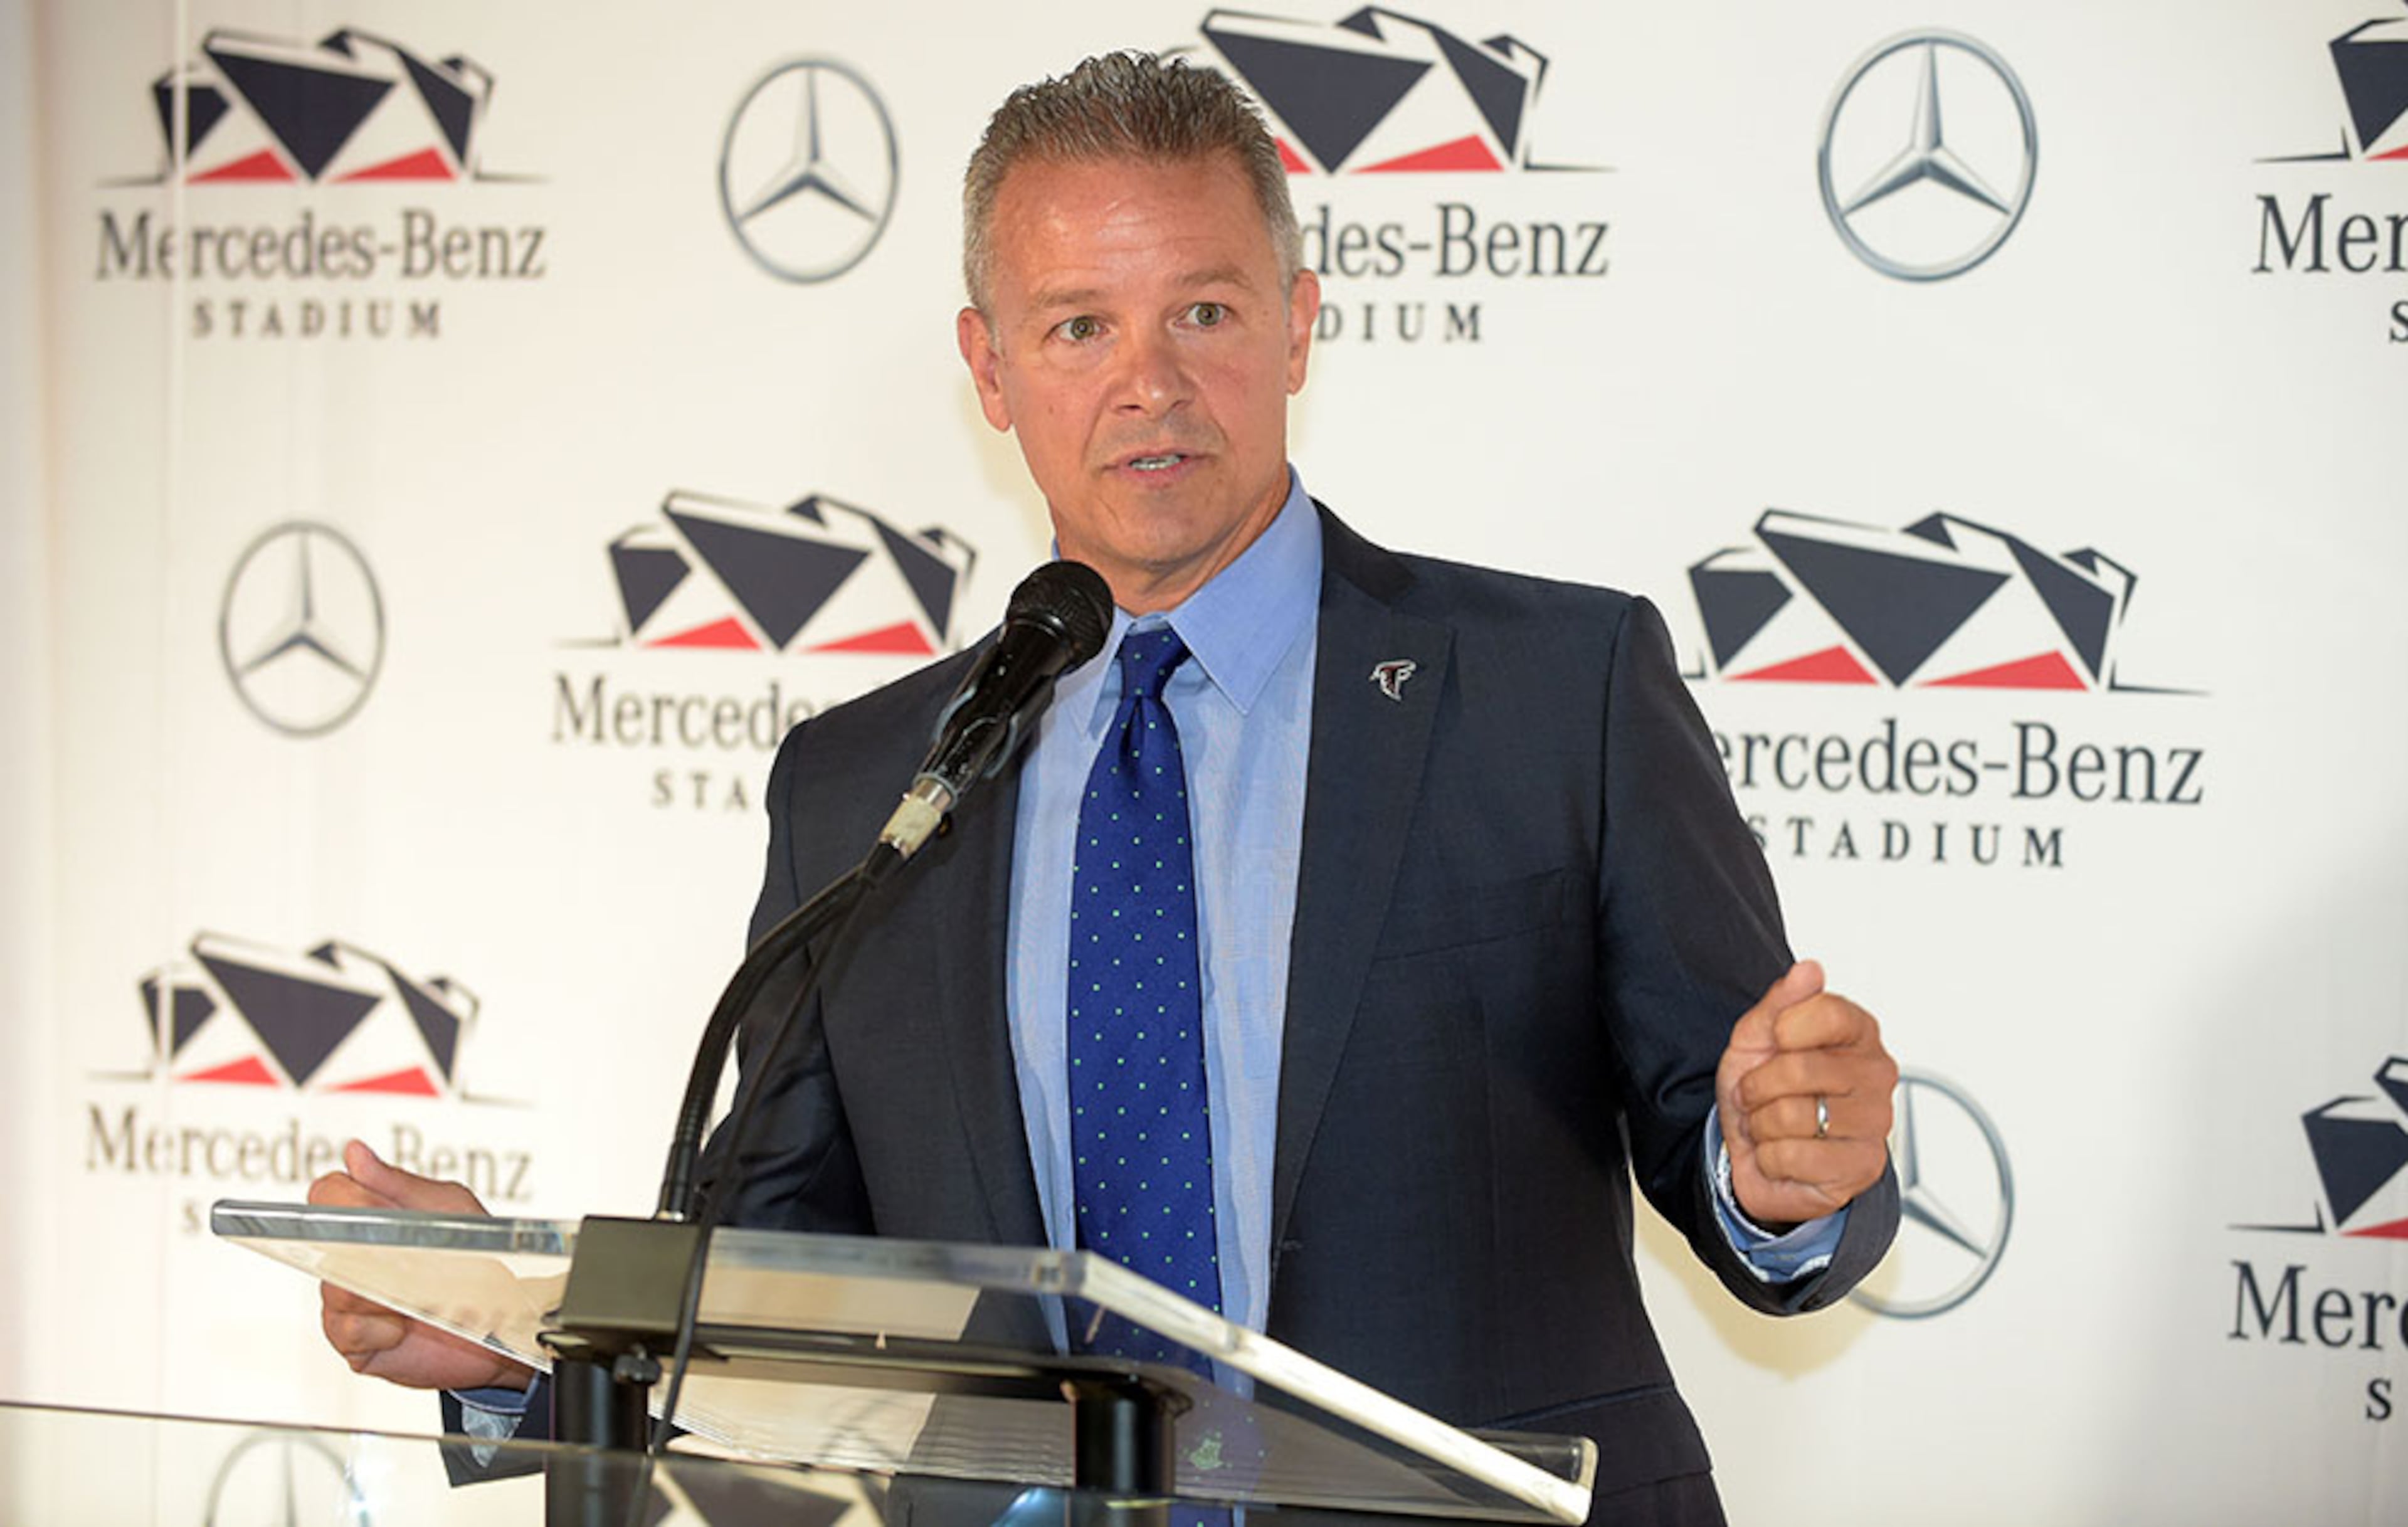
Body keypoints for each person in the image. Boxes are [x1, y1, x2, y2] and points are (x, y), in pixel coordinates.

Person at [314, 51, 1899, 1526]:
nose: (1148, 382)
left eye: (1202, 312)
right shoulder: (865, 783)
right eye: (1080, 326)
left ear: (1296, 321)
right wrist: (520, 1333)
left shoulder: (1558, 692)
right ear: (991, 371)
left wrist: (1784, 1175)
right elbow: (788, 1274)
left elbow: (1747, 1136)